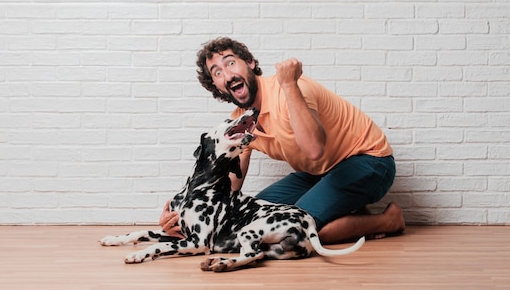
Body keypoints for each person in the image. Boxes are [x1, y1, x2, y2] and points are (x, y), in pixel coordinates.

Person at [160, 37, 405, 244]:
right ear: (217, 87)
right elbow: (230, 186)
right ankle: (350, 211)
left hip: (369, 161)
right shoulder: (241, 121)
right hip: (319, 173)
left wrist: (289, 83)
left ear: (251, 64)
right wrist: (183, 215)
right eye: (217, 72)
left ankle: (388, 220)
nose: (227, 74)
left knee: (296, 230)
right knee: (252, 217)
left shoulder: (290, 88)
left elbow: (314, 149)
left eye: (231, 63)